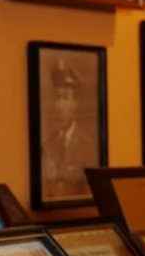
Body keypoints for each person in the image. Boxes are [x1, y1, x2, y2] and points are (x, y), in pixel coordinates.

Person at [39, 60, 101, 202]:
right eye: (57, 98)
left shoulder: (87, 147)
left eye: (65, 99)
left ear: (75, 103)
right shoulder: (49, 144)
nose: (60, 105)